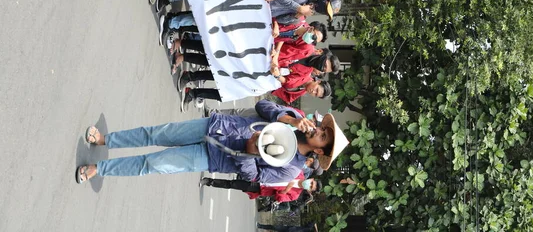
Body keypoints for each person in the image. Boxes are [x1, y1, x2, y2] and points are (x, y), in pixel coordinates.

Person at [75, 100, 349, 184]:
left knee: (153, 164)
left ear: (318, 150)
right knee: (155, 134)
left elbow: (256, 178)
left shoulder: (292, 170)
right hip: (217, 126)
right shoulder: (296, 116)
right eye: (322, 129)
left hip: (214, 158)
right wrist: (287, 118)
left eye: (322, 136)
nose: (317, 131)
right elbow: (262, 104)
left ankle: (101, 169)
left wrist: (250, 153)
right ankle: (105, 139)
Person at [200, 173, 322, 204]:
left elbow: (278, 198)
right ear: (311, 179)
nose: (309, 184)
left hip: (260, 186)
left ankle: (209, 181)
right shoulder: (298, 172)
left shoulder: (294, 194)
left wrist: (286, 190)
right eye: (311, 182)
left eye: (311, 187)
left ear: (309, 190)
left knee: (233, 184)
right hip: (261, 174)